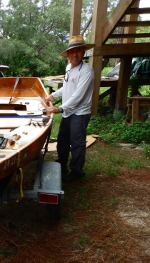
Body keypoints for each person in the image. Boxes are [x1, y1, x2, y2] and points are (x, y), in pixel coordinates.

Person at [44, 35, 95, 182]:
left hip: (79, 113)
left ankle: (77, 171)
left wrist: (59, 109)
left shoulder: (86, 71)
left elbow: (78, 96)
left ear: (83, 52)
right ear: (67, 54)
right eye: (72, 51)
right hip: (68, 111)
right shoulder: (68, 68)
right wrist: (52, 96)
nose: (75, 54)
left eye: (78, 51)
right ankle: (61, 164)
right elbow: (66, 88)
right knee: (63, 140)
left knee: (77, 143)